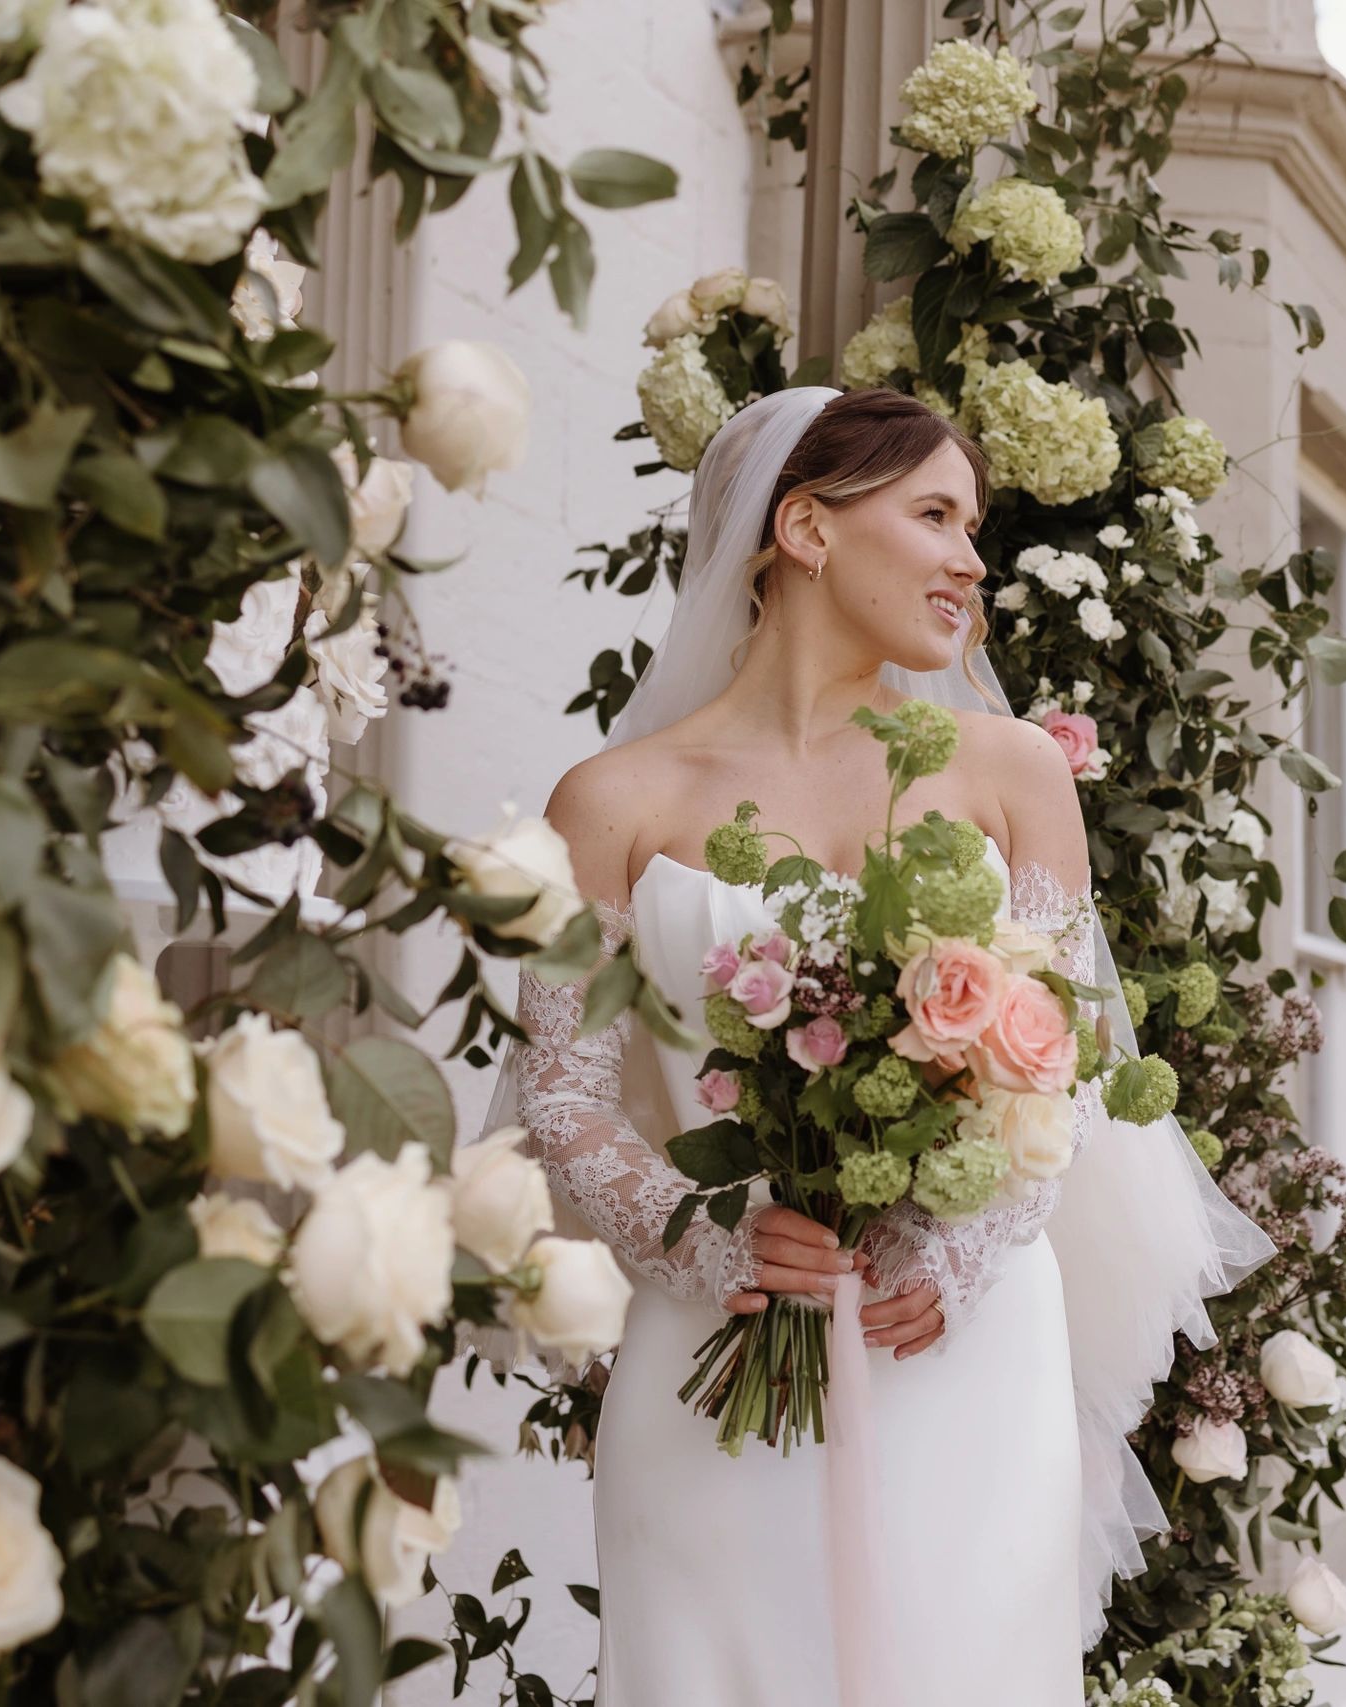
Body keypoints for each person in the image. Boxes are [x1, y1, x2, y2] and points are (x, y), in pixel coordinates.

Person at [474, 386, 1272, 1706]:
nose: (972, 559)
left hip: (956, 1347)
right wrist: (700, 1230)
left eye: (978, 525)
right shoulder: (613, 801)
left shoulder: (1009, 772)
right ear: (805, 527)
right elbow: (564, 1095)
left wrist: (959, 1249)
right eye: (936, 515)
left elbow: (1053, 1064)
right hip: (723, 1333)